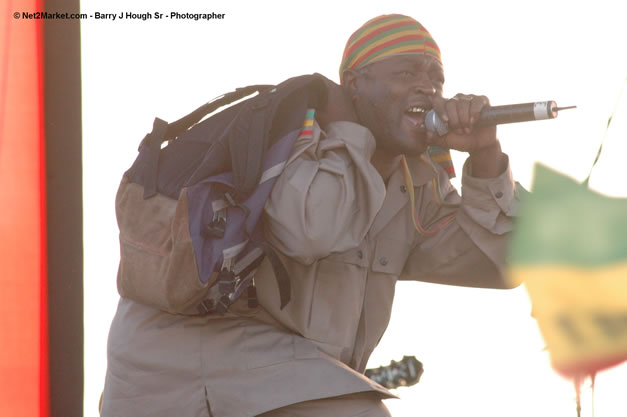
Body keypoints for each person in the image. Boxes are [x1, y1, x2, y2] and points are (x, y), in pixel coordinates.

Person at [101, 13, 524, 417]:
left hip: (273, 379)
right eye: (406, 74)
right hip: (182, 364)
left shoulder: (416, 188)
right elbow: (314, 231)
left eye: (436, 78)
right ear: (353, 84)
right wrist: (350, 133)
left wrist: (487, 155)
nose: (428, 89)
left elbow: (507, 266)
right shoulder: (301, 140)